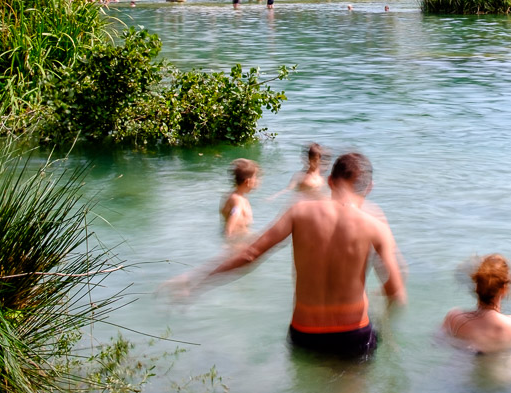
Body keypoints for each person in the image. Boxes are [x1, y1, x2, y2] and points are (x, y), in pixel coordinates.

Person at [166, 153, 406, 360]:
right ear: (369, 187)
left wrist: (195, 280)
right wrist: (385, 323)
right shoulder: (375, 225)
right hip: (353, 333)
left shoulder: (299, 211)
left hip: (306, 332)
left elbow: (250, 254)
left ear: (330, 181)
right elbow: (396, 291)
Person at [221, 158, 260, 238]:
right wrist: (227, 244)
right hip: (237, 243)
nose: (257, 180)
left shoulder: (233, 196)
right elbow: (232, 221)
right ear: (247, 182)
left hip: (241, 239)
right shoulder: (238, 200)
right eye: (255, 177)